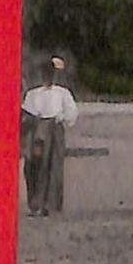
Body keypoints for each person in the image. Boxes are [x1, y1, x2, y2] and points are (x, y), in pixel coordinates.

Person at [19, 56, 79, 217]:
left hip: (54, 129)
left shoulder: (62, 93)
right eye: (45, 72)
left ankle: (50, 204)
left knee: (53, 166)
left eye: (50, 73)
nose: (48, 76)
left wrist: (60, 120)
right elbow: (26, 114)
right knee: (33, 166)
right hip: (35, 127)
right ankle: (35, 203)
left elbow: (72, 112)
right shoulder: (33, 94)